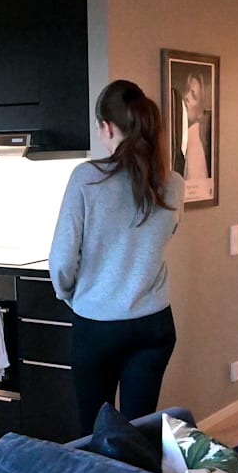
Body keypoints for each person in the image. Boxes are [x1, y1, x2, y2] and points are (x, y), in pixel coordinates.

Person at [50, 79, 185, 435]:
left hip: (98, 325)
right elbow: (165, 235)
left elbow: (62, 260)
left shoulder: (87, 178)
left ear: (107, 127)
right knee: (139, 433)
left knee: (96, 435)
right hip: (154, 323)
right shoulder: (172, 182)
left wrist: (70, 295)